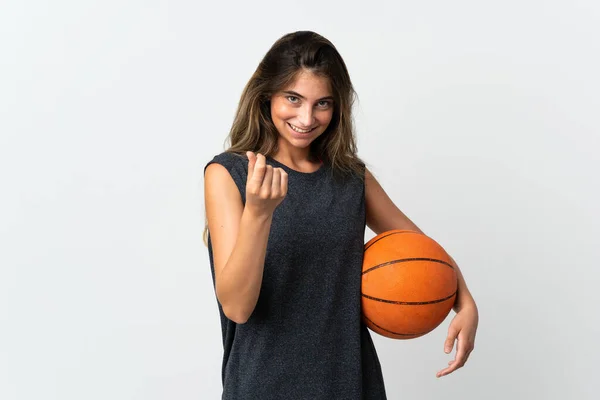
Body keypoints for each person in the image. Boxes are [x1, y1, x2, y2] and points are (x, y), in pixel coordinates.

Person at [203, 31, 479, 400]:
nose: (306, 117)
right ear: (266, 94)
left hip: (351, 384)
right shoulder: (229, 174)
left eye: (323, 103)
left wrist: (465, 302)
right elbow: (237, 307)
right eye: (293, 99)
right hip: (264, 386)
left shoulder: (351, 178)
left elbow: (425, 252)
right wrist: (258, 213)